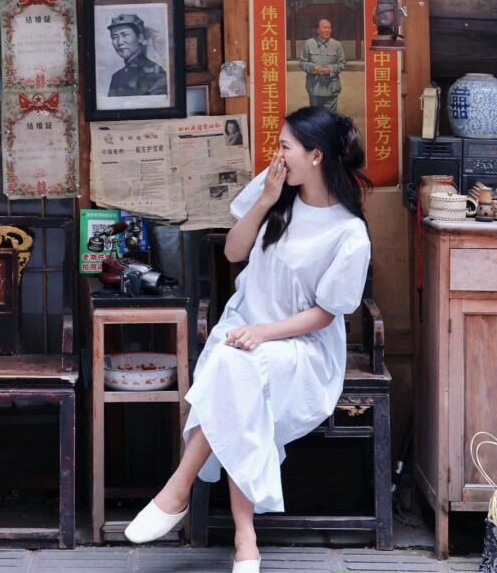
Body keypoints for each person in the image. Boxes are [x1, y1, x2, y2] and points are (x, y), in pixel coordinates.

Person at [124, 108, 372, 573]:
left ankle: (179, 488)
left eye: (285, 146)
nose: (277, 154)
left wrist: (262, 333)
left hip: (301, 348)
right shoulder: (275, 190)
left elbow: (325, 314)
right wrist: (265, 200)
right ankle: (245, 540)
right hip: (243, 328)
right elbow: (235, 253)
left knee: (234, 368)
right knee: (236, 376)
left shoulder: (348, 232)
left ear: (316, 156)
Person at [106, 12, 167, 100]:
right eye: (114, 37)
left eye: (125, 35)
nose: (119, 42)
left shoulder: (156, 72)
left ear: (140, 38)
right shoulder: (117, 76)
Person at [299, 16, 345, 112]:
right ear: (317, 30)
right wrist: (312, 68)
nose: (328, 30)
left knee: (331, 118)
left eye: (329, 28)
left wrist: (331, 69)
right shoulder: (309, 43)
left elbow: (342, 64)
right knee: (315, 117)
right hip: (314, 87)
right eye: (324, 28)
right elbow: (302, 62)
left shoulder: (337, 45)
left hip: (331, 88)